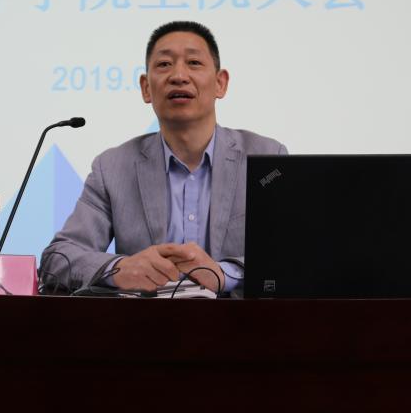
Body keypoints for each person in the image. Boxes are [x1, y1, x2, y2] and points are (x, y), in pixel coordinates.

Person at [40, 20, 286, 295]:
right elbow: (58, 258)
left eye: (194, 63)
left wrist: (224, 274)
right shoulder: (112, 168)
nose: (179, 76)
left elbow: (294, 255)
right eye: (164, 64)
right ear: (146, 88)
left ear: (220, 83)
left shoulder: (267, 158)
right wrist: (120, 269)